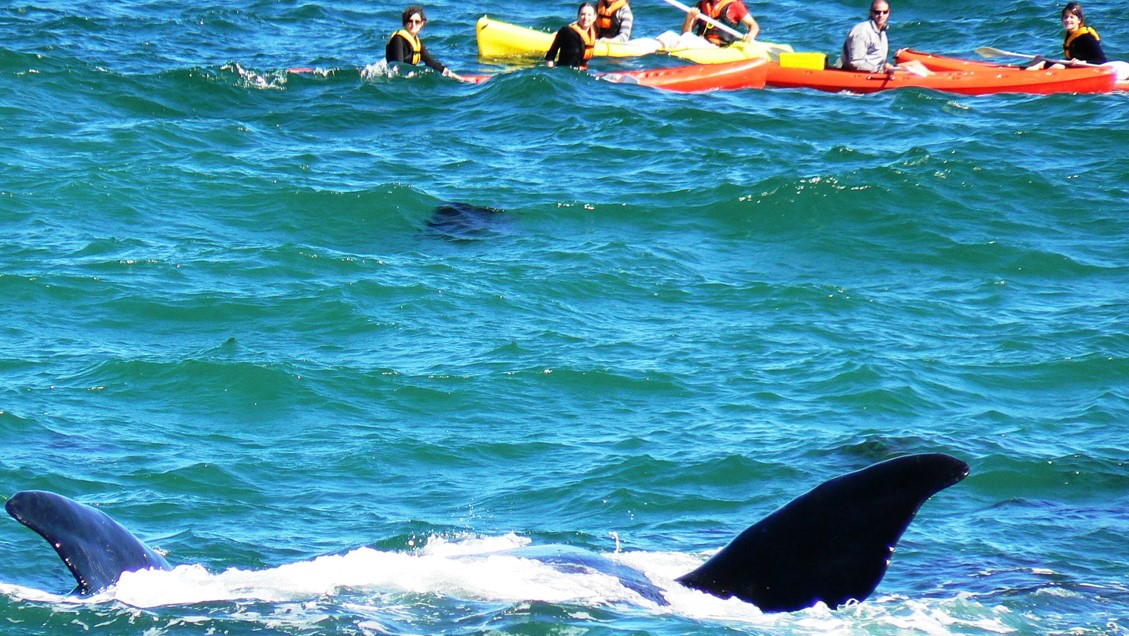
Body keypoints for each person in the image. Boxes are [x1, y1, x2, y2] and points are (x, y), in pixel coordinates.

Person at [1027, 3, 1129, 81]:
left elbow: (1100, 60)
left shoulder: (1086, 37)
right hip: (1074, 67)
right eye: (1065, 17)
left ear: (1079, 20)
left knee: (1057, 67)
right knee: (1039, 60)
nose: (1068, 20)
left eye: (1072, 17)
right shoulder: (1069, 33)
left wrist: (1083, 63)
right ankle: (1024, 77)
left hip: (1089, 70)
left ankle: (1032, 81)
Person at [385, 6, 465, 81]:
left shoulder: (417, 43)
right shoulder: (397, 39)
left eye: (417, 22)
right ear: (404, 23)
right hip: (395, 81)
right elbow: (397, 67)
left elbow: (431, 62)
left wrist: (455, 76)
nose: (413, 25)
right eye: (410, 21)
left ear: (422, 23)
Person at [681, 0, 759, 46]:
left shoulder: (735, 5)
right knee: (669, 36)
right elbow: (685, 34)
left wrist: (751, 35)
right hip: (700, 44)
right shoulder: (701, 5)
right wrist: (689, 18)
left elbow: (753, 25)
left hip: (719, 48)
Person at [546, 3, 598, 69]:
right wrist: (552, 73)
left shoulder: (593, 32)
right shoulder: (566, 31)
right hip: (565, 73)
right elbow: (550, 56)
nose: (586, 18)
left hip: (584, 73)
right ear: (578, 16)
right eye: (583, 14)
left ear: (594, 17)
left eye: (589, 15)